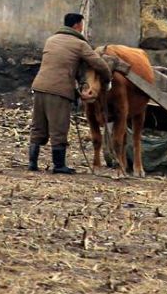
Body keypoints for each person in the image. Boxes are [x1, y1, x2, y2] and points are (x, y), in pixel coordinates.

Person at [29, 12, 112, 174]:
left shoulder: (50, 40)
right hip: (58, 90)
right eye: (82, 24)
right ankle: (59, 165)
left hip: (39, 87)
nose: (82, 27)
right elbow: (98, 64)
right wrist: (107, 79)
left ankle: (32, 162)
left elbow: (62, 63)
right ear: (76, 26)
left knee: (38, 125)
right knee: (59, 127)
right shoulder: (79, 44)